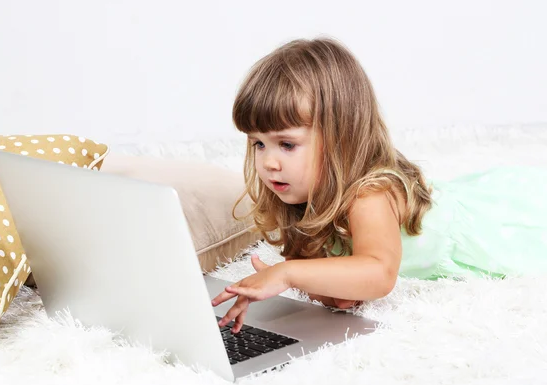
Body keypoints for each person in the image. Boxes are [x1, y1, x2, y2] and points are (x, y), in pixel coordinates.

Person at [211, 37, 547, 334]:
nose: (269, 162)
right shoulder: (301, 196)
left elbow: (378, 273)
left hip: (507, 223)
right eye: (258, 144)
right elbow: (344, 294)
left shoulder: (369, 194)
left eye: (287, 144)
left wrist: (288, 274)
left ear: (341, 137)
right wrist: (285, 283)